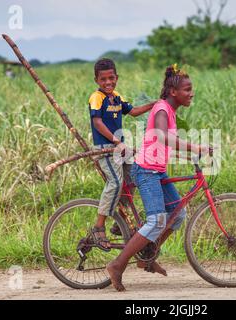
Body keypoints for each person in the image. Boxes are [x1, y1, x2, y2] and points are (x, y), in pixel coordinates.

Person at [106, 64, 211, 291]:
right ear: (174, 92)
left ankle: (147, 256)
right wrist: (196, 147)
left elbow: (167, 143)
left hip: (157, 170)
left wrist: (192, 151)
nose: (191, 93)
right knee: (157, 220)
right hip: (146, 170)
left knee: (178, 214)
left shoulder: (170, 111)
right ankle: (117, 265)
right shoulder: (162, 109)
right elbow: (163, 137)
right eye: (187, 89)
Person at [89, 58, 155, 251]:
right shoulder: (97, 97)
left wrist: (154, 104)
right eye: (103, 79)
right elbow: (98, 123)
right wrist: (116, 141)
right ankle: (99, 226)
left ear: (116, 77)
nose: (108, 82)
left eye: (111, 78)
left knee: (134, 177)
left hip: (121, 148)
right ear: (97, 80)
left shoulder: (117, 97)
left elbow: (133, 111)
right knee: (115, 183)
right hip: (107, 149)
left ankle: (121, 223)